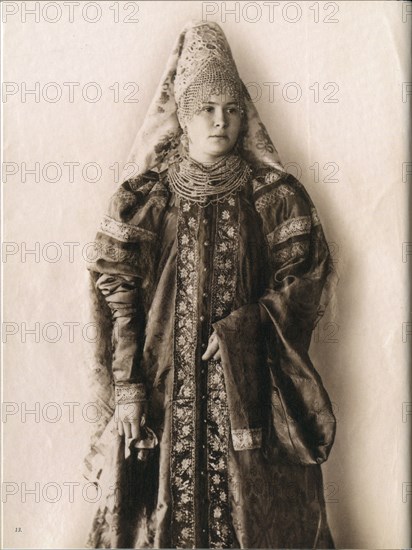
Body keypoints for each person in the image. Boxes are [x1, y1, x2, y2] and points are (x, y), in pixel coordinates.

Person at [84, 20, 337, 549]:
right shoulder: (146, 198)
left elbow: (305, 281)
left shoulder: (276, 196)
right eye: (205, 108)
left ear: (245, 114)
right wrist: (128, 389)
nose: (220, 120)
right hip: (159, 386)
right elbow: (119, 296)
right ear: (182, 114)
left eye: (231, 107)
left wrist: (243, 327)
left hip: (252, 388)